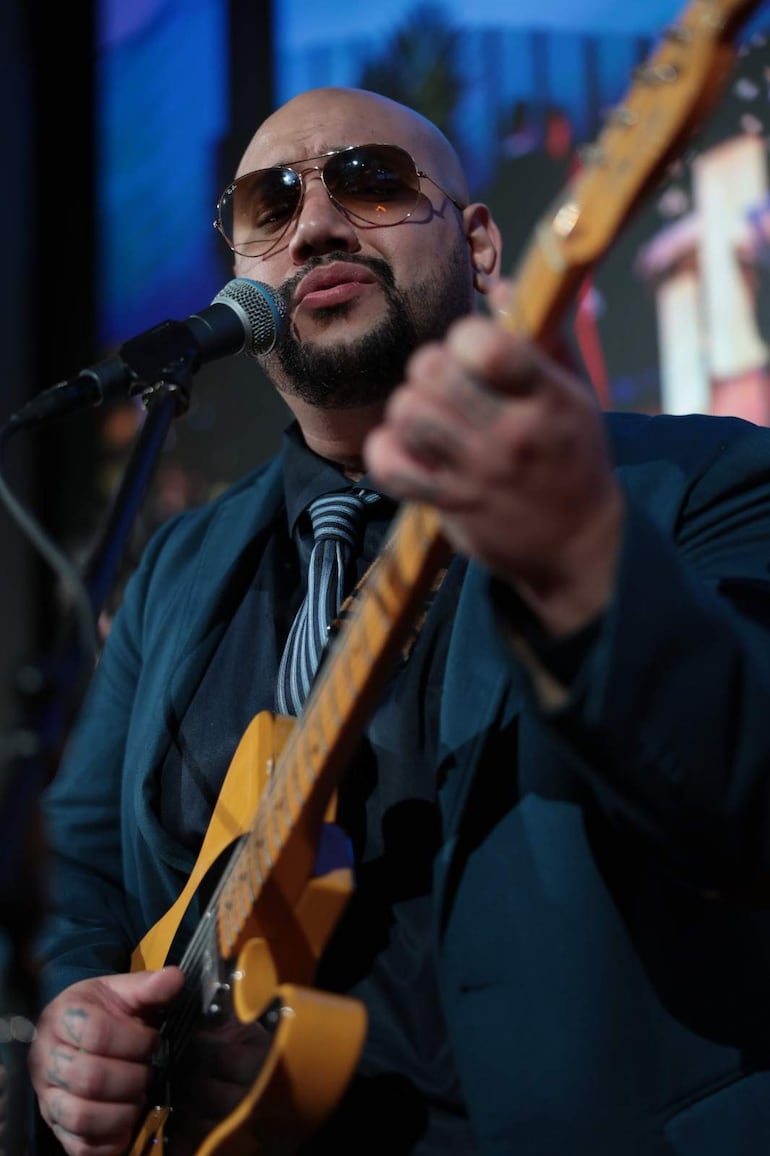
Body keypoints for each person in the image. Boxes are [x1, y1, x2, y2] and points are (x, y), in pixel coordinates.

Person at [24, 83, 770, 1156]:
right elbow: (83, 867)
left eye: (370, 182)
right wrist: (74, 1021)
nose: (315, 225)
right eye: (270, 205)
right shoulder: (174, 570)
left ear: (479, 244)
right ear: (240, 276)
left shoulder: (702, 480)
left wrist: (580, 566)